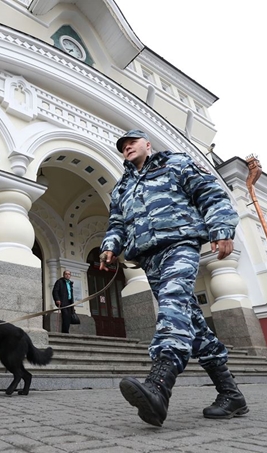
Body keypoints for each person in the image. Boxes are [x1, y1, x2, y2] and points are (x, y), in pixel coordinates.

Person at [99, 129, 248, 427]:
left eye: (132, 142)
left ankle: (159, 382)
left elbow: (210, 193)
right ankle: (231, 394)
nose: (127, 147)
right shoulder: (122, 187)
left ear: (147, 144)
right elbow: (117, 221)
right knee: (191, 322)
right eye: (123, 146)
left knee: (172, 302)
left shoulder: (176, 163)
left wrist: (221, 229)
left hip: (180, 244)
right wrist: (110, 246)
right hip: (148, 257)